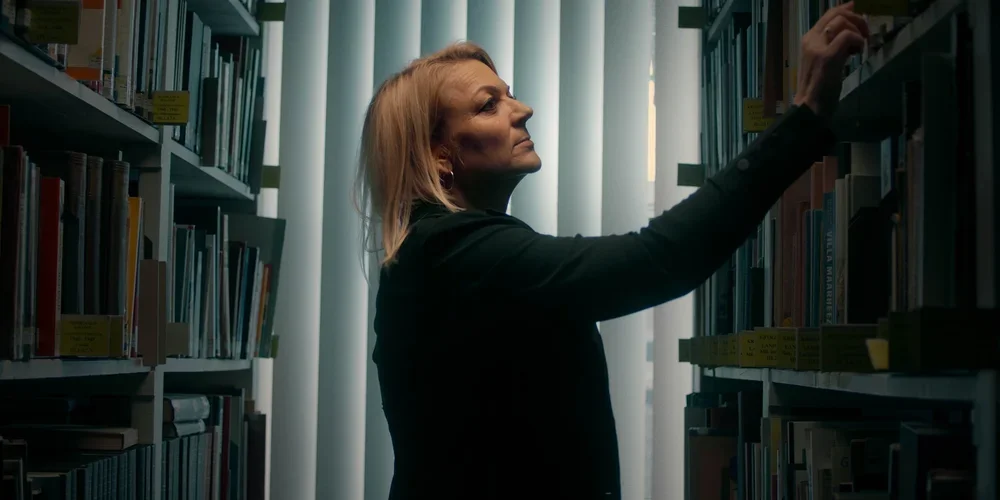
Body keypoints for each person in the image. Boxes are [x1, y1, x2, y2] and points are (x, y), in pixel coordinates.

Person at [357, 3, 868, 499]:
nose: (523, 110)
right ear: (439, 155)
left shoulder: (447, 253)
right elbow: (656, 259)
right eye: (489, 105)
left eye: (509, 95)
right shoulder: (451, 253)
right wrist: (804, 115)